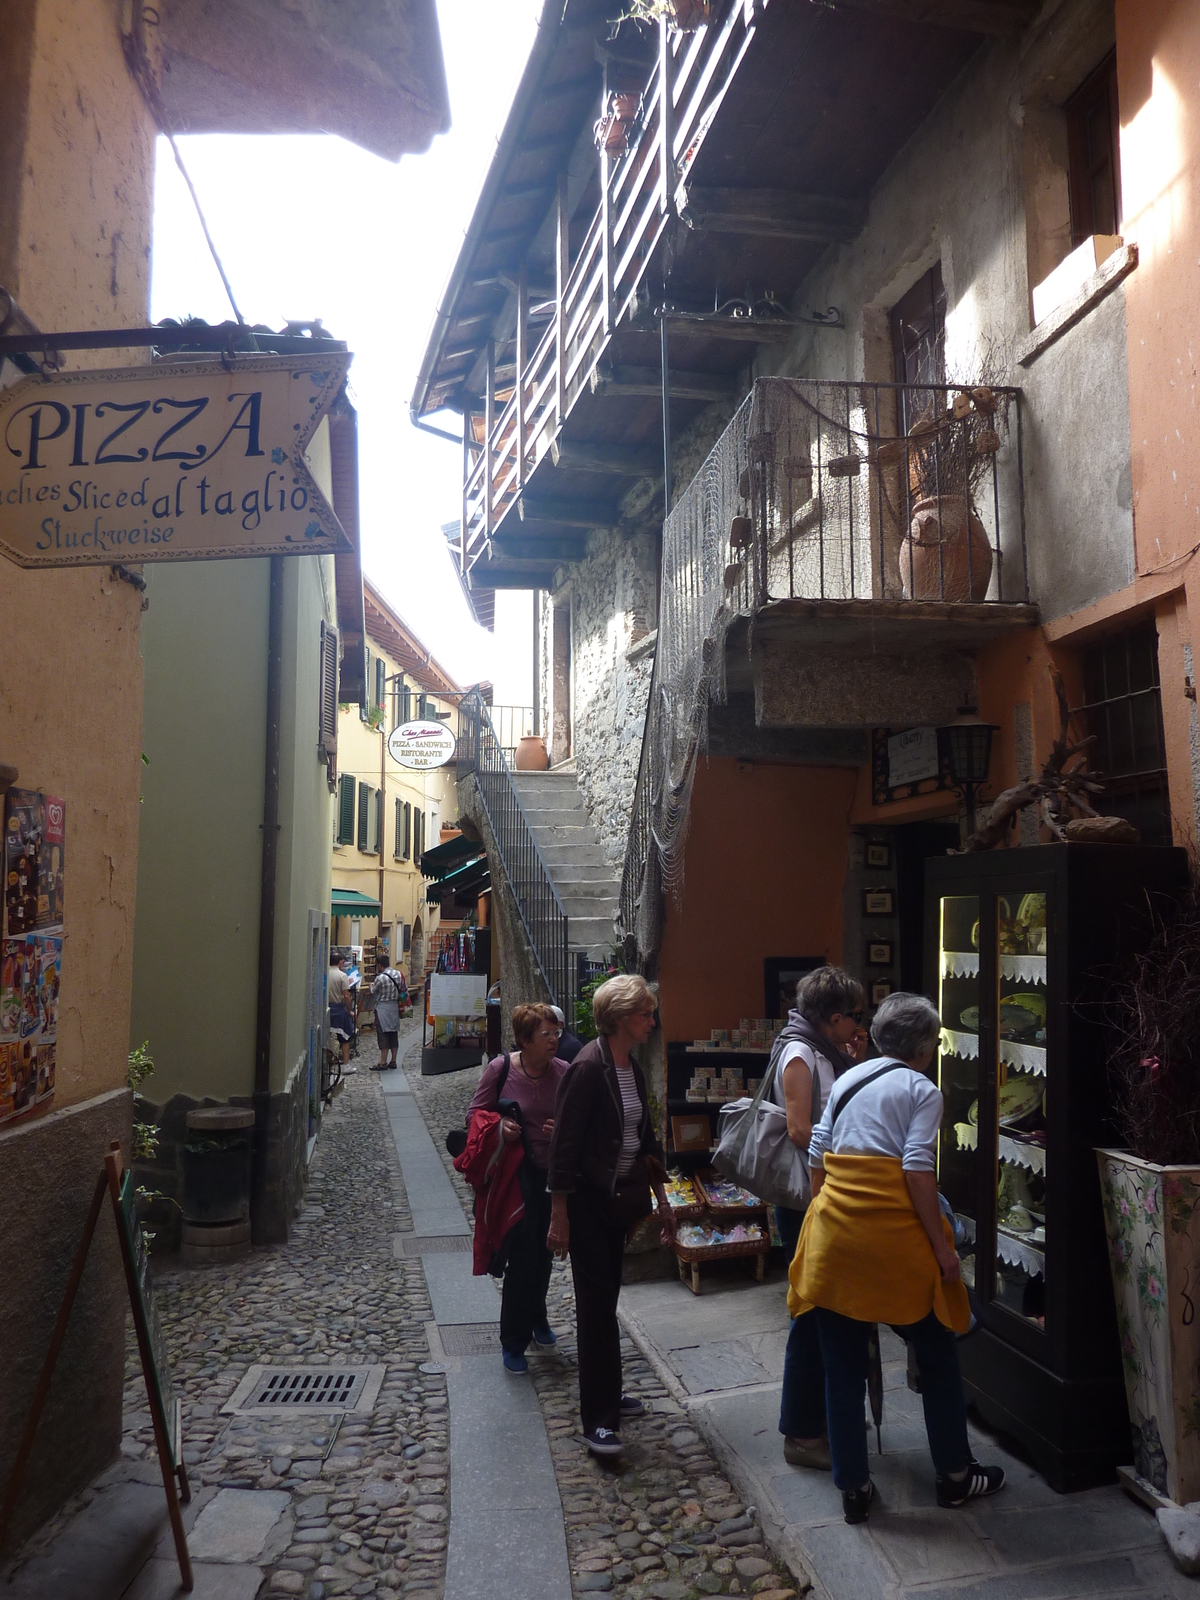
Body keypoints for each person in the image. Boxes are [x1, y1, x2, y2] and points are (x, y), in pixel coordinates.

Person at [791, 991, 1006, 1524]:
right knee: (936, 1353)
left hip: (836, 1240)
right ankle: (956, 1476)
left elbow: (818, 1153)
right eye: (934, 1040)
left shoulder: (847, 1079)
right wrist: (943, 1251)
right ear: (922, 1045)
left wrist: (830, 1209)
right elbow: (916, 1171)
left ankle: (854, 1488)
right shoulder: (922, 1089)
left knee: (840, 1369)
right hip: (895, 1244)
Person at [547, 974, 677, 1457]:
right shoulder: (586, 1068)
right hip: (586, 1208)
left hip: (617, 1204)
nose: (652, 1021)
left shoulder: (629, 1066)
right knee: (596, 1311)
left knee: (607, 1303)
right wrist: (558, 1215)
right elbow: (564, 1148)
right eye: (645, 1013)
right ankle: (597, 1420)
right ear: (621, 1018)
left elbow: (640, 1141)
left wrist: (662, 1197)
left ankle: (609, 1393)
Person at [773, 966, 865, 1473]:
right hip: (805, 1201)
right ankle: (802, 1432)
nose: (857, 1022)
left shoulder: (825, 1050)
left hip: (824, 1195)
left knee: (823, 1310)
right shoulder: (799, 1053)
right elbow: (800, 1129)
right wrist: (855, 1166)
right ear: (832, 1017)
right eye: (853, 1015)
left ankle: (822, 1419)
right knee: (808, 1312)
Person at [469, 1003, 568, 1374]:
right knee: (524, 1256)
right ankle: (513, 1340)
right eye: (546, 1034)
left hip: (555, 1176)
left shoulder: (565, 1073)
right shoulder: (501, 1069)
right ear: (525, 1041)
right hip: (517, 1173)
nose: (555, 1039)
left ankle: (537, 1315)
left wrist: (564, 1133)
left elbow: (582, 1123)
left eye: (556, 1032)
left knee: (547, 1252)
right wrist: (500, 1127)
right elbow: (474, 1115)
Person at [371, 963, 408, 1070]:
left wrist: (371, 986)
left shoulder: (380, 977)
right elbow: (404, 989)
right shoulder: (399, 974)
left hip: (383, 1007)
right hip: (394, 1007)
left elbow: (373, 991)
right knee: (393, 1033)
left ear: (379, 965)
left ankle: (383, 1062)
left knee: (383, 1034)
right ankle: (393, 1060)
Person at [327, 951, 354, 1066]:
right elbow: (346, 996)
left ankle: (329, 1062)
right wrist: (349, 1010)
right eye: (342, 962)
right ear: (339, 962)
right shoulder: (342, 976)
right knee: (345, 1038)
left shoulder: (325, 973)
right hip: (338, 1008)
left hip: (327, 1007)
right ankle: (346, 1064)